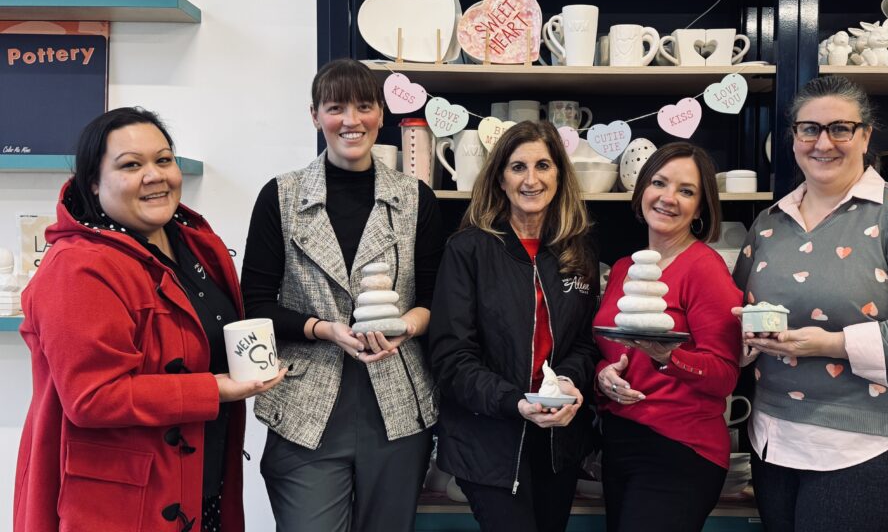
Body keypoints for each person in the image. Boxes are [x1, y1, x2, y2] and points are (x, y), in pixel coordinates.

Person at [14, 107, 283, 532]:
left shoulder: (194, 246)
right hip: (124, 506)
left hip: (198, 485)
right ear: (94, 185)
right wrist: (213, 389)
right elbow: (92, 397)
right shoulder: (79, 267)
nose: (155, 175)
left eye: (163, 159)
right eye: (131, 165)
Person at [733, 75, 888, 532]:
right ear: (794, 139)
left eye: (840, 128)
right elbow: (741, 318)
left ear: (865, 135)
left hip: (877, 442)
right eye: (809, 129)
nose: (823, 143)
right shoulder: (769, 223)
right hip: (776, 438)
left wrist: (831, 344)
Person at [241, 58, 443, 531]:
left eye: (364, 106)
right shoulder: (282, 197)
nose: (351, 121)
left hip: (397, 402)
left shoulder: (416, 199)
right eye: (336, 108)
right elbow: (256, 303)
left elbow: (436, 298)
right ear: (315, 115)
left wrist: (405, 325)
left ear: (380, 115)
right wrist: (323, 329)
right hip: (304, 404)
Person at [429, 120, 599, 532]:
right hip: (488, 439)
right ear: (500, 179)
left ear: (559, 176)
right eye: (518, 167)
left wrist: (569, 385)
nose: (531, 179)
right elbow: (451, 358)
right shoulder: (467, 249)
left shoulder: (576, 252)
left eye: (543, 165)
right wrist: (516, 401)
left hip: (558, 441)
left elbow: (586, 344)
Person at [592, 142, 743, 531]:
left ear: (701, 206)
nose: (668, 198)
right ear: (643, 188)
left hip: (680, 448)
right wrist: (603, 375)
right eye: (659, 183)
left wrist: (667, 357)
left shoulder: (704, 269)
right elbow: (610, 352)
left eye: (687, 191)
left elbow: (725, 375)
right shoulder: (626, 268)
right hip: (621, 441)